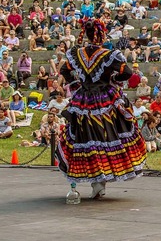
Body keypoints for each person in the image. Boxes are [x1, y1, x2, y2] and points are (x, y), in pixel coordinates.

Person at [55, 18, 147, 200]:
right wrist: (111, 79)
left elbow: (64, 70)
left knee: (85, 137)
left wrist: (77, 82)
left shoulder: (76, 53)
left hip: (83, 100)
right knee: (109, 135)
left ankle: (96, 181)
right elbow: (127, 72)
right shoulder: (109, 55)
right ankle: (101, 181)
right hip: (106, 99)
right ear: (102, 35)